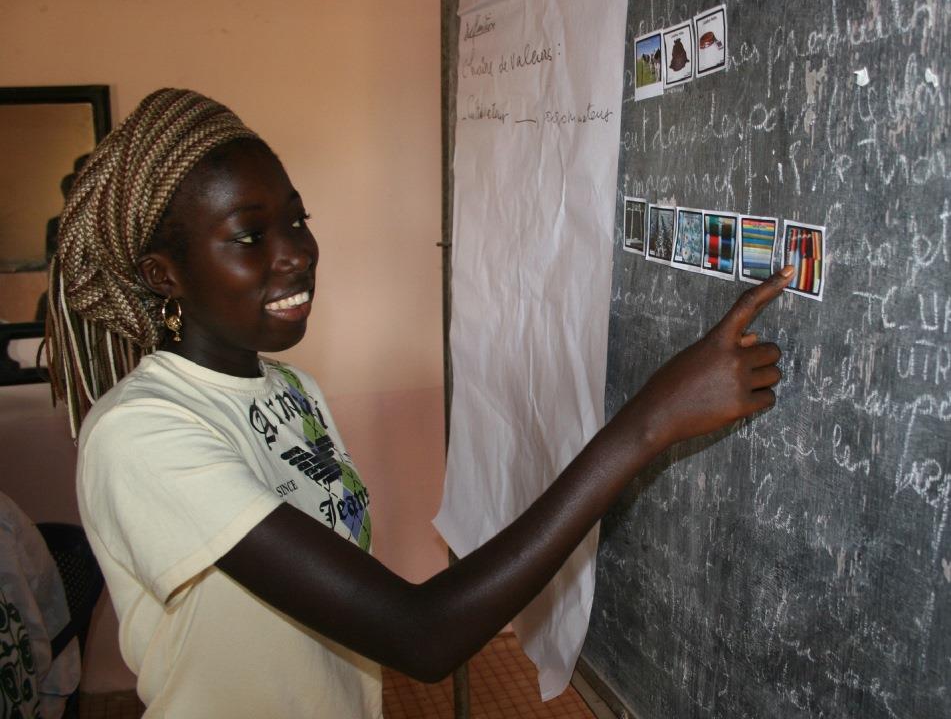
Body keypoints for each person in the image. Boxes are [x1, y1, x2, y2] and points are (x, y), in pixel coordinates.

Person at [46, 88, 791, 717]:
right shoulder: (141, 433)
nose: (297, 252)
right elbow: (419, 635)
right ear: (162, 274)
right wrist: (649, 422)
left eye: (297, 219)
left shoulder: (289, 390)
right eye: (250, 235)